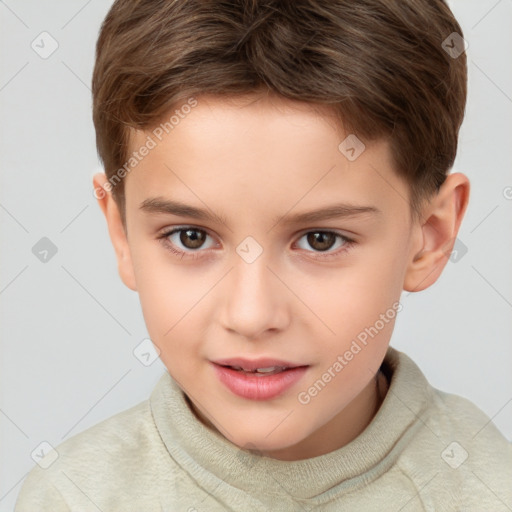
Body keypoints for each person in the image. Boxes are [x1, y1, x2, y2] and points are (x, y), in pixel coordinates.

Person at [15, 0, 512, 510]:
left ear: (428, 236)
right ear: (121, 233)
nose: (251, 315)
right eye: (190, 237)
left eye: (321, 240)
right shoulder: (70, 497)